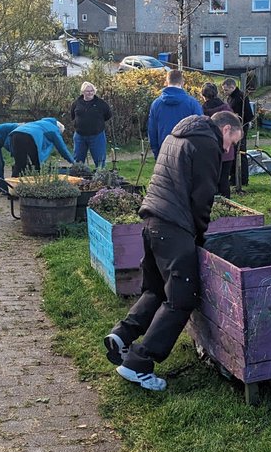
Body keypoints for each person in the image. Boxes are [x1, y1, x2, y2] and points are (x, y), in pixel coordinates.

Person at [103, 110, 244, 391]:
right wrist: (199, 236)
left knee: (156, 290)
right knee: (181, 298)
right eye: (232, 142)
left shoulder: (179, 134)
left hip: (152, 220)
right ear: (225, 129)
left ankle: (122, 335)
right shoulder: (207, 143)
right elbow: (202, 197)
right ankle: (138, 364)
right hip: (174, 227)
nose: (229, 149)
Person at [147, 69, 202, 158]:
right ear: (182, 82)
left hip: (163, 151)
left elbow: (152, 131)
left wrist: (156, 153)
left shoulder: (156, 104)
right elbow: (200, 130)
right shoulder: (193, 104)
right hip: (187, 153)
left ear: (166, 82)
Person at [200, 82, 235, 198]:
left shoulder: (202, 111)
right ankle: (228, 206)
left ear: (203, 96)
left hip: (210, 150)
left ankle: (213, 207)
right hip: (227, 150)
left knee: (211, 180)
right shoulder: (227, 109)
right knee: (224, 180)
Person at [9, 117, 75, 176]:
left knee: (19, 165)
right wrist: (73, 162)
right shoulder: (54, 130)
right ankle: (36, 185)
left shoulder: (42, 123)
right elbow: (62, 149)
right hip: (30, 136)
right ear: (59, 129)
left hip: (15, 134)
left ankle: (13, 186)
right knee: (37, 165)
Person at [69, 81, 112, 168]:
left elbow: (108, 115)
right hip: (79, 136)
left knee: (99, 161)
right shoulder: (76, 103)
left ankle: (100, 178)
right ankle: (78, 178)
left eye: (92, 90)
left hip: (97, 136)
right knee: (78, 161)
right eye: (88, 91)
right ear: (83, 92)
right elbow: (73, 116)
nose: (90, 93)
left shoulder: (101, 104)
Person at [221, 77, 255, 189]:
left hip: (240, 128)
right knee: (233, 154)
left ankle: (243, 178)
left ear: (232, 87)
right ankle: (234, 177)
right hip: (233, 129)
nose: (225, 92)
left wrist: (238, 119)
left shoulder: (241, 97)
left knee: (241, 153)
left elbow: (249, 115)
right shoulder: (230, 98)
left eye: (226, 90)